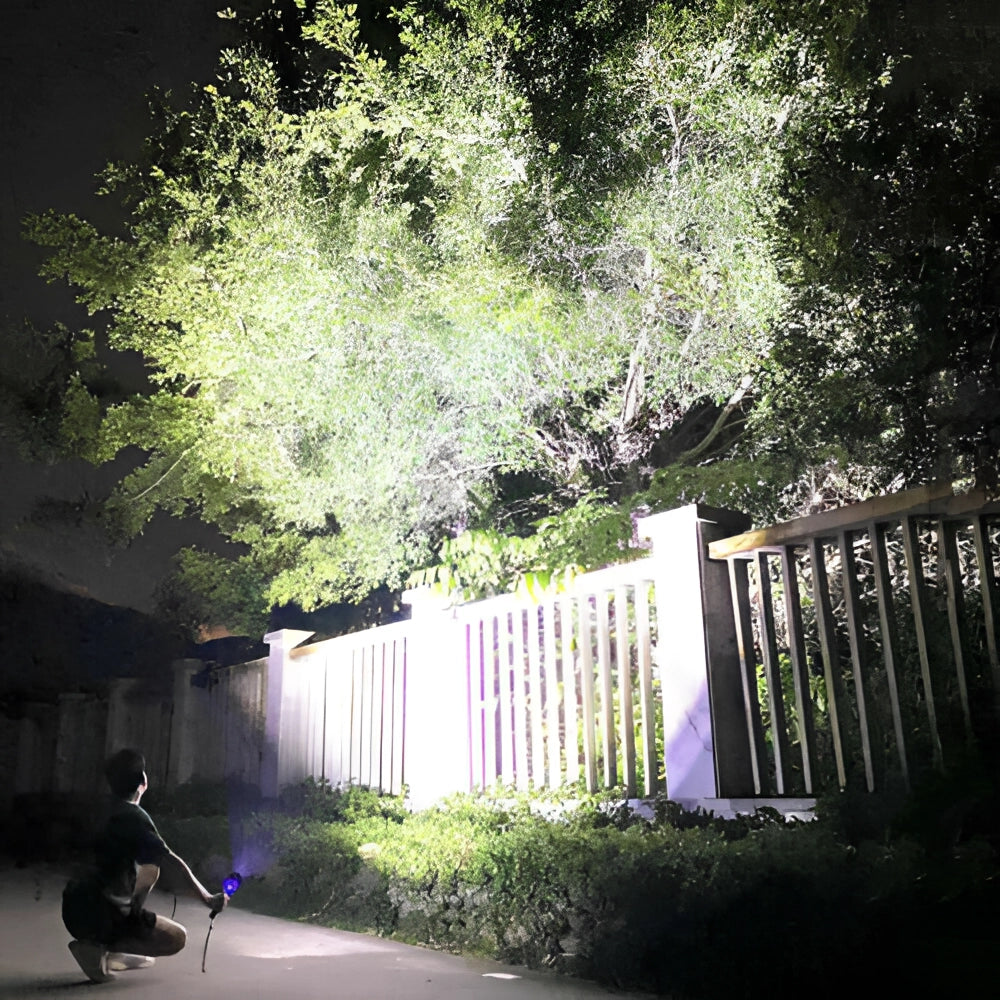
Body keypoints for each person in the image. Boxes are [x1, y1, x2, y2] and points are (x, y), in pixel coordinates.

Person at [62, 748, 227, 983]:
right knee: (177, 937)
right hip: (101, 917)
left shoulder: (100, 809)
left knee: (151, 869)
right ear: (144, 781)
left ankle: (111, 946)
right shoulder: (135, 817)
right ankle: (99, 948)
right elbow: (173, 863)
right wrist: (208, 899)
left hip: (73, 911)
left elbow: (155, 865)